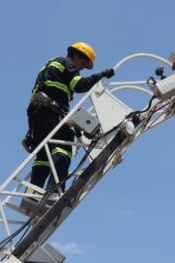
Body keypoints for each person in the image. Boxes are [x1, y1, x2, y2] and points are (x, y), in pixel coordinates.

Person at [23, 42, 115, 192]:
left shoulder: (51, 64)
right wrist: (102, 75)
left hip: (36, 113)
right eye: (84, 62)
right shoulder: (67, 63)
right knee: (64, 144)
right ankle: (55, 190)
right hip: (49, 110)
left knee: (44, 156)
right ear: (76, 55)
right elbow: (79, 85)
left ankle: (33, 193)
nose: (83, 67)